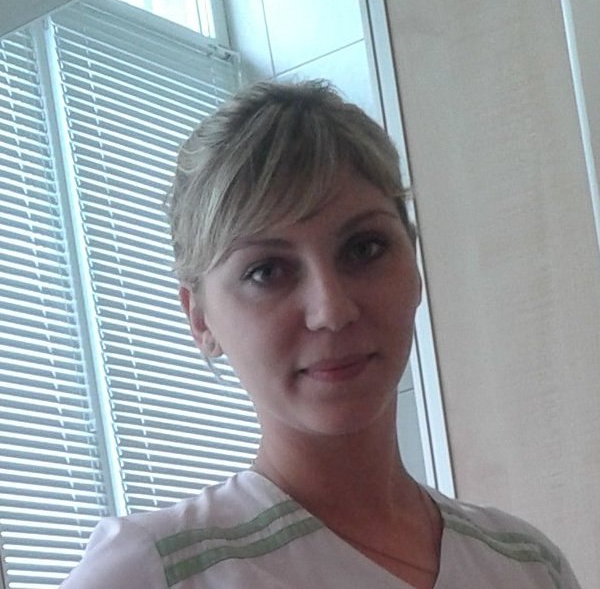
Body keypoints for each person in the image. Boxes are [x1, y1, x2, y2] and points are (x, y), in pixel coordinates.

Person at [59, 80, 581, 589]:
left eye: (364, 248)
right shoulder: (159, 572)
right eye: (266, 271)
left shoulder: (528, 566)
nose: (331, 310)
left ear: (414, 265)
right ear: (200, 320)